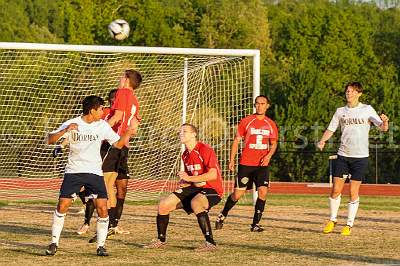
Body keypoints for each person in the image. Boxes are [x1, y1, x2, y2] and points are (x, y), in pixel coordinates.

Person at [45, 95, 138, 257]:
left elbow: (117, 144)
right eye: (101, 109)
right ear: (92, 110)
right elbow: (49, 140)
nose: (103, 112)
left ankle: (101, 246)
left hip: (94, 172)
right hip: (74, 171)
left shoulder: (101, 125)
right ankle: (54, 243)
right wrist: (65, 131)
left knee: (102, 208)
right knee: (62, 205)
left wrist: (128, 132)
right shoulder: (72, 123)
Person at [318, 81, 389, 236]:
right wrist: (322, 140)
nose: (349, 94)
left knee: (353, 191)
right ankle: (332, 219)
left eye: (352, 91)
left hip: (360, 157)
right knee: (335, 190)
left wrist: (385, 121)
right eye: (347, 91)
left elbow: (382, 128)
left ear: (359, 93)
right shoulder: (340, 111)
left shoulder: (367, 109)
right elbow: (331, 128)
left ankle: (349, 224)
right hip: (343, 155)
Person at [144, 123, 224, 251]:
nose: (181, 134)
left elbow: (213, 174)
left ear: (194, 134)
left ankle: (210, 243)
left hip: (212, 189)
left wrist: (190, 178)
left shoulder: (205, 149)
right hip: (195, 187)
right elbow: (193, 180)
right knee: (163, 205)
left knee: (196, 203)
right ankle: (161, 240)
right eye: (180, 132)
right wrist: (185, 181)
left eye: (184, 131)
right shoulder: (185, 154)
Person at [215, 95, 278, 232]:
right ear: (254, 105)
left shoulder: (271, 124)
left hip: (262, 165)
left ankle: (255, 224)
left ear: (267, 106)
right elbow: (237, 140)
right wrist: (231, 160)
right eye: (257, 103)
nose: (260, 106)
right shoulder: (246, 121)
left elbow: (273, 144)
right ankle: (222, 215)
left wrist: (268, 156)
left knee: (263, 192)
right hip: (246, 164)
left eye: (263, 103)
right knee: (237, 194)